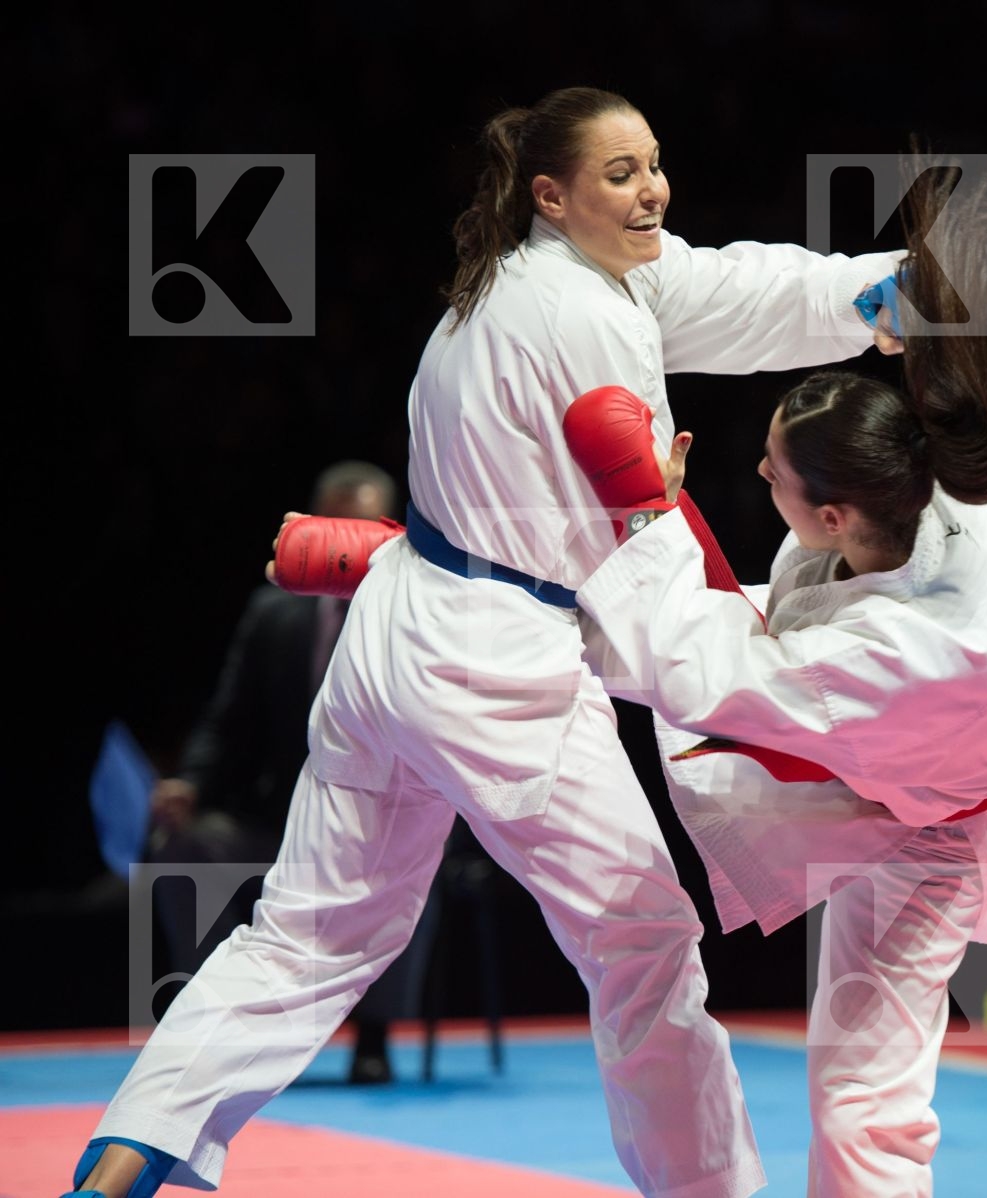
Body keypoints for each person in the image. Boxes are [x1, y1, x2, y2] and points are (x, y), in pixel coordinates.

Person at [66, 86, 901, 1198]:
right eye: (619, 173)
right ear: (552, 194)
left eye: (653, 163)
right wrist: (766, 690)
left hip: (393, 641)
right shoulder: (590, 320)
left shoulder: (516, 281)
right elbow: (641, 553)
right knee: (644, 941)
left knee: (304, 933)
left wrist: (872, 293)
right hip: (496, 663)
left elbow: (729, 288)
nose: (650, 187)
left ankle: (121, 1159)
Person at [269, 159, 987, 1198]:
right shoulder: (952, 485)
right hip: (862, 747)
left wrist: (643, 506)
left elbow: (693, 665)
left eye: (771, 475)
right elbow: (704, 631)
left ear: (833, 517)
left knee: (864, 1101)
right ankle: (413, 565)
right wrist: (928, 286)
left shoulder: (930, 645)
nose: (758, 477)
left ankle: (406, 566)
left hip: (930, 820)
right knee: (625, 620)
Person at [145, 460, 429, 1086]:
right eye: (340, 529)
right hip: (279, 820)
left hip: (387, 821)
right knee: (189, 847)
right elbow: (226, 718)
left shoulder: (424, 613)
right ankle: (209, 1027)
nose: (353, 546)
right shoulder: (274, 615)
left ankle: (374, 1039)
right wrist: (189, 784)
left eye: (368, 531)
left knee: (420, 853)